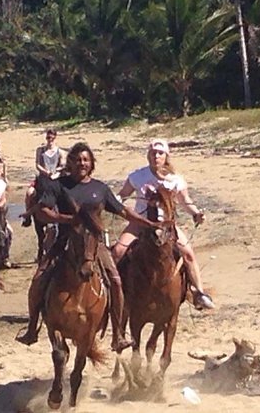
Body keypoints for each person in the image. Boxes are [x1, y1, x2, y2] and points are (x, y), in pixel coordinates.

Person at [15, 142, 159, 351]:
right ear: (70, 163)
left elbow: (123, 212)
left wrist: (148, 223)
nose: (82, 163)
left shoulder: (100, 188)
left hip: (94, 244)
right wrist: (67, 219)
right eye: (77, 160)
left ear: (91, 163)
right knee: (39, 278)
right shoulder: (59, 185)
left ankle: (117, 334)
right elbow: (43, 211)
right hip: (65, 241)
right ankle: (31, 327)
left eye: (86, 160)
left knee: (116, 281)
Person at [111, 138, 215, 310]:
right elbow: (123, 194)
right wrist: (113, 202)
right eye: (153, 153)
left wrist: (196, 213)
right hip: (141, 222)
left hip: (166, 225)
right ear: (148, 155)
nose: (156, 156)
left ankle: (198, 293)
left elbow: (185, 201)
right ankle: (111, 290)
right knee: (118, 251)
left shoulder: (175, 180)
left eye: (160, 153)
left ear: (166, 156)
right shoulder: (137, 176)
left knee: (188, 254)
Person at [22, 129, 65, 227]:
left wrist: (55, 170)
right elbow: (37, 164)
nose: (49, 139)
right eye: (48, 137)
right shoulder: (40, 150)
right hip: (42, 178)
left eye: (51, 137)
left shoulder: (60, 152)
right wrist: (45, 172)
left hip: (55, 178)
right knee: (29, 193)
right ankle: (27, 216)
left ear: (55, 137)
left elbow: (62, 165)